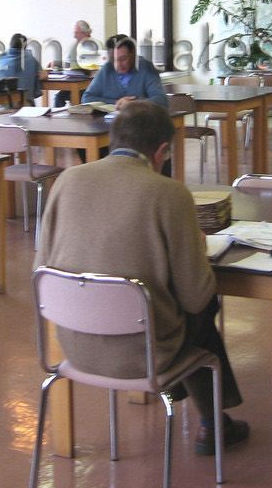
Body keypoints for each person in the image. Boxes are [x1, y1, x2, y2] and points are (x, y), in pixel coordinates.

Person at [37, 100, 248, 455]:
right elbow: (196, 296)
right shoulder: (168, 193)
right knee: (202, 305)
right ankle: (212, 422)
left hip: (73, 346)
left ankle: (211, 419)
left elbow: (41, 269)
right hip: (144, 353)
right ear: (162, 151)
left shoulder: (67, 180)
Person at [83, 35, 166, 109]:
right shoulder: (107, 69)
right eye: (114, 60)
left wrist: (134, 104)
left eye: (123, 59)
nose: (118, 64)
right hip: (109, 122)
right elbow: (87, 98)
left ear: (133, 55)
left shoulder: (145, 68)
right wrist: (117, 103)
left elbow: (161, 100)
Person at [0, 32, 40, 99]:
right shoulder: (31, 58)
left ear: (11, 44)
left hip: (4, 103)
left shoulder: (1, 58)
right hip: (26, 102)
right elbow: (43, 75)